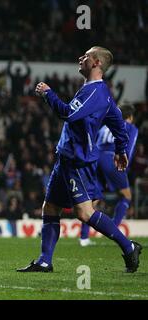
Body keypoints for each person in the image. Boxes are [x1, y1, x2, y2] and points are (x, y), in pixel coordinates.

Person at [17, 46, 142, 273]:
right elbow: (118, 122)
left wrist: (48, 93)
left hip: (77, 160)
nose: (80, 58)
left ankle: (128, 246)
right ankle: (45, 260)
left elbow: (68, 113)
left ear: (96, 63)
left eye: (85, 56)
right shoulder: (97, 91)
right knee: (51, 208)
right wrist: (121, 149)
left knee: (84, 213)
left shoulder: (95, 92)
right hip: (65, 157)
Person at [80, 104, 139, 246]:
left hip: (96, 159)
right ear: (130, 117)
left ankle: (84, 238)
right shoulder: (131, 127)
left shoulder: (106, 125)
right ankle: (114, 232)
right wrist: (124, 167)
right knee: (126, 196)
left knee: (93, 199)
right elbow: (128, 148)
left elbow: (94, 142)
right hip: (112, 158)